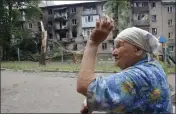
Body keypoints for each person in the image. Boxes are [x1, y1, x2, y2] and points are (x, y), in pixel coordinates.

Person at [77, 17, 173, 113]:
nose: (113, 52)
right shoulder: (153, 67)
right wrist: (95, 101)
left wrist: (93, 42)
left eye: (119, 46)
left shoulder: (140, 75)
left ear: (138, 50)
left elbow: (85, 85)